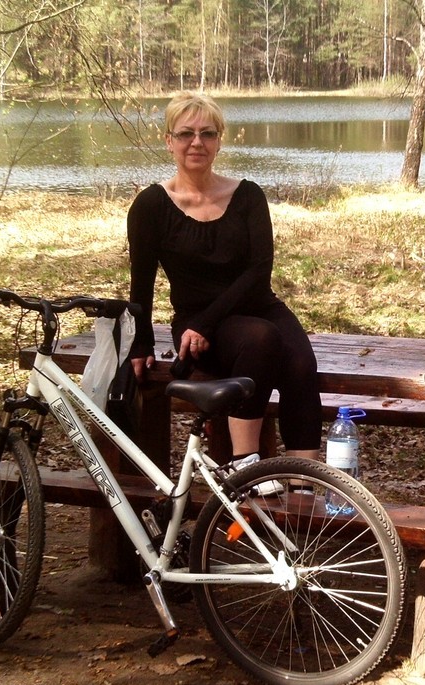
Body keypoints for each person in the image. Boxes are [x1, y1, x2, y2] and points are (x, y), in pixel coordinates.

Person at [127, 92, 322, 474]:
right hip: (196, 324)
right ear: (169, 141)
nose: (196, 142)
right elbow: (142, 281)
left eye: (207, 133)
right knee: (260, 340)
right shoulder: (151, 205)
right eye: (185, 134)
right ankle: (244, 468)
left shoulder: (247, 195)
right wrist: (141, 343)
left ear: (219, 141)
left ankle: (304, 487)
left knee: (301, 364)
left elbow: (259, 270)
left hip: (254, 307)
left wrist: (208, 322)